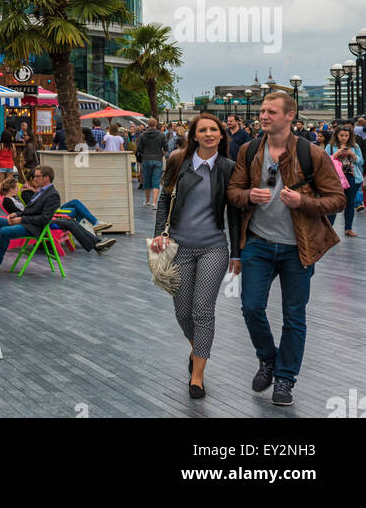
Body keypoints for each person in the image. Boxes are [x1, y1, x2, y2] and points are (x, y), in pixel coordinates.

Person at [227, 90, 345, 407]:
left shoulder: (312, 154)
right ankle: (268, 359)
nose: (264, 116)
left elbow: (338, 199)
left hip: (298, 248)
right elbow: (232, 193)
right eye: (262, 111)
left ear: (290, 116)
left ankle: (284, 380)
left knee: (294, 317)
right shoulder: (250, 151)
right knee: (251, 306)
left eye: (271, 112)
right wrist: (248, 195)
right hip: (258, 244)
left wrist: (302, 201)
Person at [150, 113, 241, 398]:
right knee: (182, 312)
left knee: (203, 311)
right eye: (203, 130)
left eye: (214, 129)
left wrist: (236, 253)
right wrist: (158, 234)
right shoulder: (179, 162)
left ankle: (198, 377)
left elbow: (236, 215)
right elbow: (165, 198)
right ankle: (196, 349)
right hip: (179, 247)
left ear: (221, 135)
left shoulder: (229, 168)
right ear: (194, 135)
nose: (209, 134)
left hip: (213, 247)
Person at [0, 165, 63, 271]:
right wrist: (16, 214)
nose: (34, 179)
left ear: (47, 178)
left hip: (33, 228)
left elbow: (43, 219)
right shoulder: (40, 191)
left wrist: (22, 219)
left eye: (37, 176)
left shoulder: (52, 195)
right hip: (24, 221)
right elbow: (28, 211)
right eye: (34, 176)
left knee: (4, 231)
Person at [328, 124, 363, 235]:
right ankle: (329, 229)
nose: (344, 137)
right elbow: (325, 161)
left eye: (346, 135)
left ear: (350, 136)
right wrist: (337, 153)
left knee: (350, 203)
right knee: (335, 203)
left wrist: (352, 154)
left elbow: (361, 162)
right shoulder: (331, 146)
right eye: (341, 135)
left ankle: (348, 228)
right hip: (335, 178)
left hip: (352, 177)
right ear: (337, 135)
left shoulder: (355, 146)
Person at [136, 118, 166, 208]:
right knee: (156, 180)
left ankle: (147, 200)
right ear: (156, 124)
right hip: (157, 159)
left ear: (148, 125)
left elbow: (139, 149)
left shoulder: (142, 135)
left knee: (147, 180)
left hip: (146, 159)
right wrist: (162, 154)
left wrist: (144, 153)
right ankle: (154, 202)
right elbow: (166, 147)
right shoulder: (161, 135)